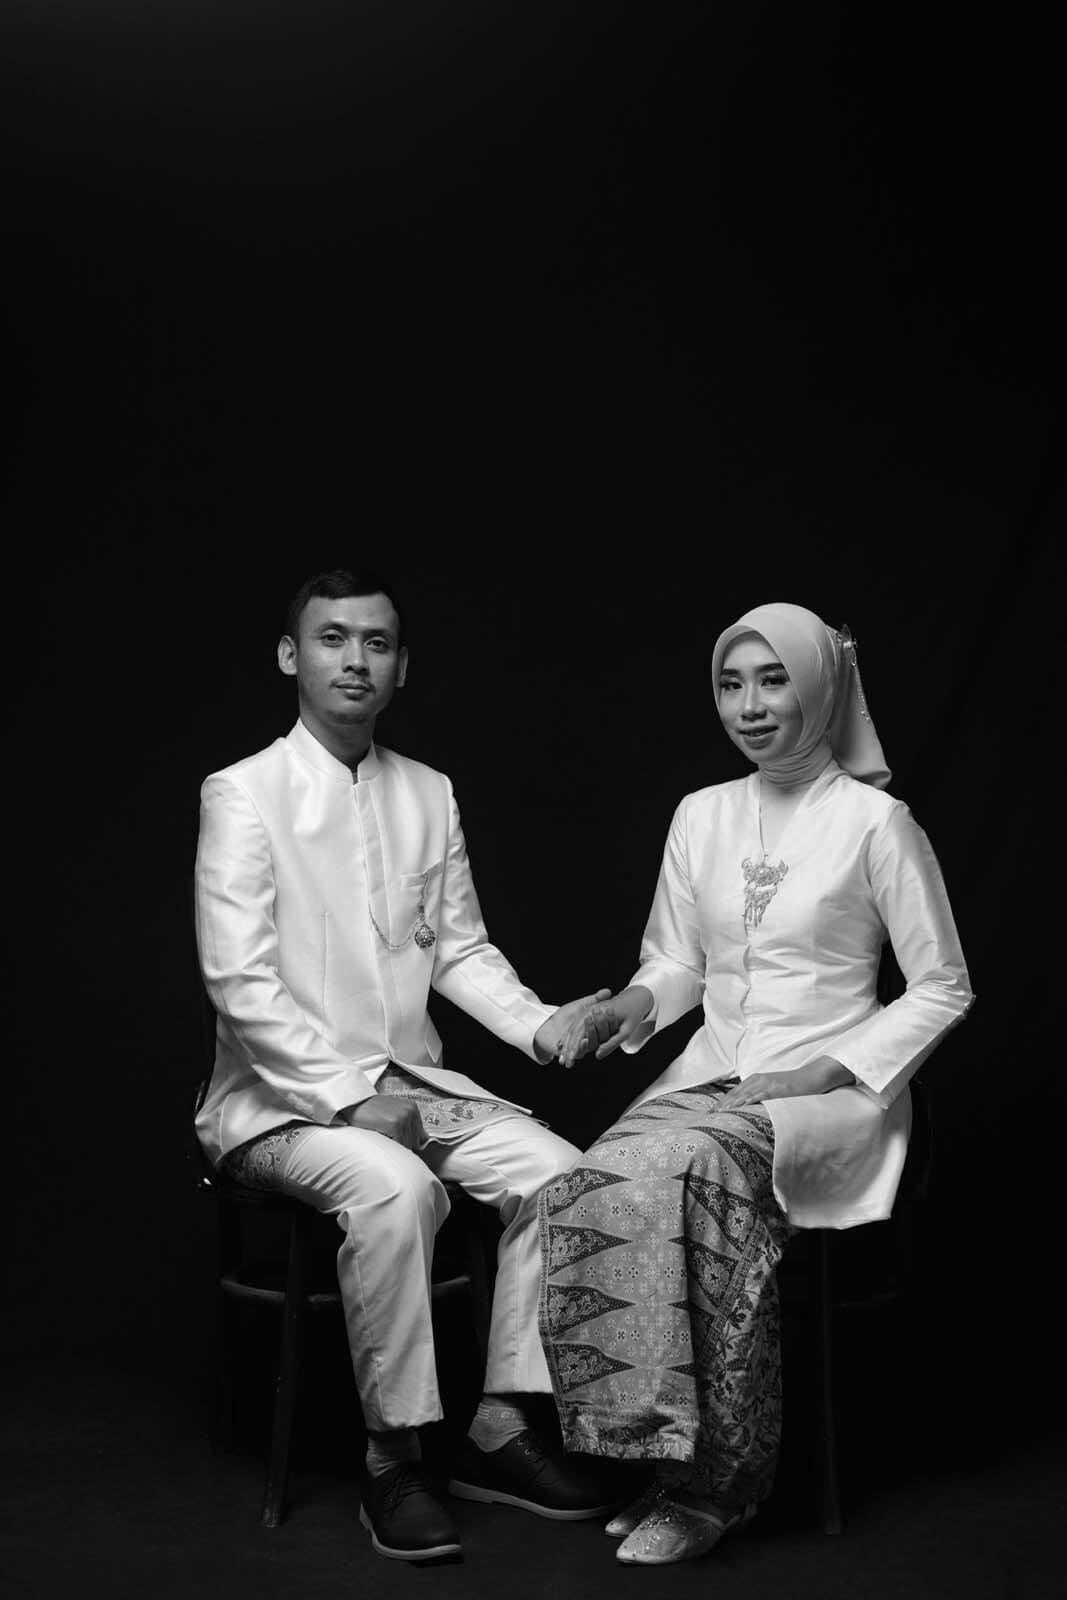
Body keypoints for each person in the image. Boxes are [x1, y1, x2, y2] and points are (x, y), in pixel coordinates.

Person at [194, 566, 618, 1563]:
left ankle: (499, 1427)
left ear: (401, 667)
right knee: (395, 1188)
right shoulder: (244, 792)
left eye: (376, 642)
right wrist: (349, 1101)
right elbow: (238, 981)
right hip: (275, 1103)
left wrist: (542, 1026)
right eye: (333, 638)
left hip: (413, 1087)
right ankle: (394, 1457)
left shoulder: (428, 791)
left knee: (565, 1176)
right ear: (292, 656)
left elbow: (457, 950)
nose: (355, 659)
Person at [539, 601, 973, 1566]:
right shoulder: (701, 814)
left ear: (820, 684)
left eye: (772, 680)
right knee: (589, 1180)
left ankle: (721, 1487)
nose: (749, 705)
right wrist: (620, 1010)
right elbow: (675, 965)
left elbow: (943, 984)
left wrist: (825, 1065)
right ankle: (661, 1458)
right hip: (712, 1077)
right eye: (730, 684)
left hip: (831, 1093)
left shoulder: (875, 823)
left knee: (688, 1174)